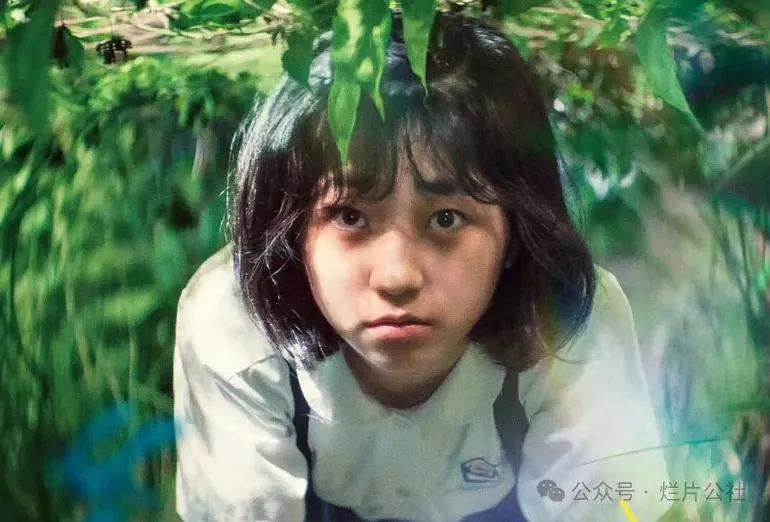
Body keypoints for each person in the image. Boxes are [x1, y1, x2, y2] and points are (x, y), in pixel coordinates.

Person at [173, 11, 670, 521]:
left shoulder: (571, 313)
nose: (397, 277)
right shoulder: (231, 319)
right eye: (349, 217)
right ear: (291, 230)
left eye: (446, 219)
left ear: (516, 232)